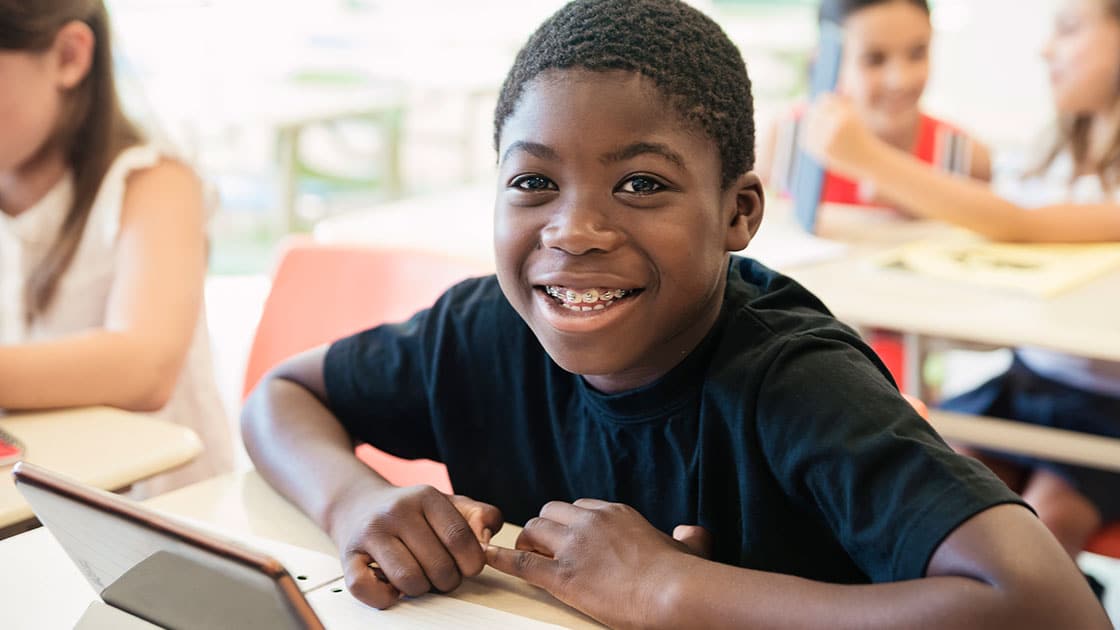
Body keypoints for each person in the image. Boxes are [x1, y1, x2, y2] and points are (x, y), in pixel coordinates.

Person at [241, 1, 1107, 627]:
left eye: (642, 184)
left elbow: (1051, 609)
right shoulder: (483, 330)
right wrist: (353, 502)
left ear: (739, 213)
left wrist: (671, 591)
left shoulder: (793, 382)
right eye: (532, 182)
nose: (574, 231)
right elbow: (279, 396)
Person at [802, 0, 1120, 571]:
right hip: (1025, 385)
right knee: (943, 496)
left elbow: (1019, 227)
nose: (1046, 48)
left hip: (1105, 408)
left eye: (1069, 29)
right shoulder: (1052, 157)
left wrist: (868, 158)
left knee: (1045, 524)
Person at [0, 0, 233, 496]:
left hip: (163, 517)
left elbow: (144, 368)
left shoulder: (154, 182)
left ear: (69, 56)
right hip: (31, 503)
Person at [759, 0, 991, 213]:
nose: (901, 79)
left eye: (917, 53)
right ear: (828, 61)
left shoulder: (965, 156)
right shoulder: (785, 141)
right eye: (874, 59)